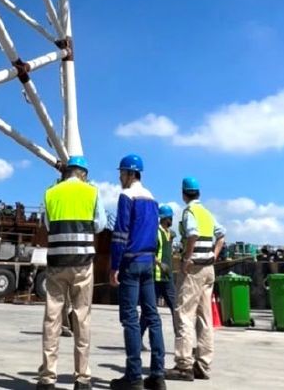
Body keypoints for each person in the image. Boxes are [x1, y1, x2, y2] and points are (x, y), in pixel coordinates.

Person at [38, 155, 107, 390]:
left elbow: (47, 224)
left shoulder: (50, 193)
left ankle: (47, 377)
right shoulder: (92, 192)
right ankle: (82, 377)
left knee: (52, 317)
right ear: (84, 173)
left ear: (67, 172)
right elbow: (100, 224)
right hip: (82, 264)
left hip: (56, 262)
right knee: (82, 318)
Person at [110, 153, 165, 390]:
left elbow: (120, 233)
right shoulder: (153, 199)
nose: (120, 177)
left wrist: (114, 265)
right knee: (152, 317)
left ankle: (133, 377)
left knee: (130, 319)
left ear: (131, 173)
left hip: (131, 263)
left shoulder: (126, 196)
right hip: (148, 262)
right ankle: (157, 375)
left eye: (122, 173)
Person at [166, 177, 225, 382]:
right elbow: (222, 235)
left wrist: (186, 258)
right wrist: (214, 255)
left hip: (194, 270)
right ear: (198, 193)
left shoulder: (189, 212)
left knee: (183, 313)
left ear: (183, 194)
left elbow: (191, 234)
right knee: (204, 317)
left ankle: (184, 366)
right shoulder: (207, 213)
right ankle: (203, 364)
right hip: (208, 268)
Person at [142, 205, 176, 344]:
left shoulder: (170, 234)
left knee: (176, 309)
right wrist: (160, 264)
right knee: (148, 310)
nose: (171, 220)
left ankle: (181, 341)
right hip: (156, 278)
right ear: (164, 219)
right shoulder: (156, 233)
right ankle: (138, 338)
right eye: (170, 218)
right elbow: (150, 252)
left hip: (167, 278)